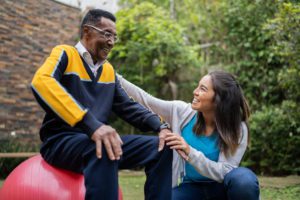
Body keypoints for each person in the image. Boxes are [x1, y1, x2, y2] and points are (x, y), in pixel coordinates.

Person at [31, 9, 173, 200]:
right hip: (60, 142)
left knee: (163, 147)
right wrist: (91, 124)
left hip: (98, 143)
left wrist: (161, 126)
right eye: (107, 34)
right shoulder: (65, 53)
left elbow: (128, 107)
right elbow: (41, 82)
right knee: (105, 144)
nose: (111, 42)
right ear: (87, 31)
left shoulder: (108, 70)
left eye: (115, 36)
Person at [117, 71, 260, 200]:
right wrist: (114, 76)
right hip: (190, 188)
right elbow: (146, 100)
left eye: (202, 89)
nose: (195, 92)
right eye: (197, 87)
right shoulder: (181, 112)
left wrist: (190, 152)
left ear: (219, 99)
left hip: (221, 188)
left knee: (243, 180)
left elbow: (224, 172)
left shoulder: (238, 128)